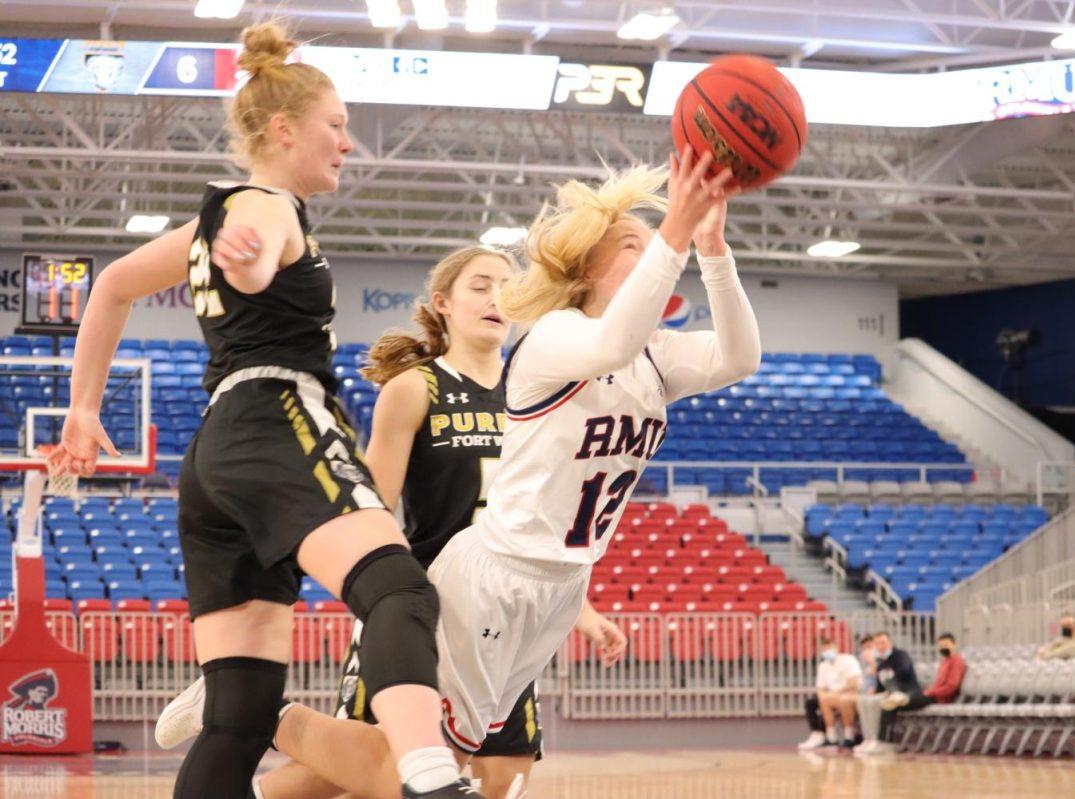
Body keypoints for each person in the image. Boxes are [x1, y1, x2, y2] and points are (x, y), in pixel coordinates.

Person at [163, 147, 754, 799]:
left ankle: (244, 725)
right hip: (483, 577)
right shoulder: (553, 339)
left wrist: (714, 248)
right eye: (631, 245)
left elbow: (739, 356)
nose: (651, 255)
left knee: (420, 766)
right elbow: (610, 341)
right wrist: (673, 235)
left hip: (557, 585)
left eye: (651, 245)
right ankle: (252, 710)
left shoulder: (656, 356)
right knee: (418, 774)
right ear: (587, 264)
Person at [46, 23, 481, 799]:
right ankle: (428, 779)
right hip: (279, 416)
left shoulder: (219, 218)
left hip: (217, 455)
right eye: (337, 125)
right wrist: (250, 267)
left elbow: (111, 283)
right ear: (283, 129)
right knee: (400, 590)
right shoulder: (263, 204)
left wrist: (84, 407)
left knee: (240, 714)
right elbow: (255, 257)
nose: (349, 143)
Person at [156, 247, 629, 799]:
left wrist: (585, 611)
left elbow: (546, 520)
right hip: (430, 596)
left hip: (507, 600)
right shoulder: (415, 387)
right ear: (442, 304)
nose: (497, 296)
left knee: (503, 773)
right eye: (480, 285)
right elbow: (370, 501)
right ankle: (251, 712)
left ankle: (248, 724)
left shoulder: (537, 387)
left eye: (507, 285)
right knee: (383, 768)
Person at [878, 633, 966, 742]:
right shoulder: (945, 661)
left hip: (938, 698)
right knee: (889, 705)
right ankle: (883, 740)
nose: (943, 648)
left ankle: (883, 740)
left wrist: (931, 692)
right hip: (932, 695)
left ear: (954, 644)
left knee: (892, 704)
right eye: (941, 646)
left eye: (946, 645)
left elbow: (951, 686)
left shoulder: (956, 661)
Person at [854, 631, 921, 756]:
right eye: (878, 643)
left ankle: (880, 740)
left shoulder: (900, 655)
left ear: (890, 643)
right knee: (865, 700)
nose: (881, 646)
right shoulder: (881, 662)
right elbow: (880, 685)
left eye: (883, 642)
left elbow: (903, 673)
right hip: (889, 693)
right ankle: (869, 738)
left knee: (879, 702)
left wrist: (890, 684)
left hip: (906, 693)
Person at [798, 634, 862, 750]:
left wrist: (837, 692)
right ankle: (826, 736)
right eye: (824, 649)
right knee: (813, 702)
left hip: (847, 693)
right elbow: (820, 689)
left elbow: (853, 682)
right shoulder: (823, 666)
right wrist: (825, 696)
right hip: (832, 696)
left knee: (842, 699)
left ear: (836, 648)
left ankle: (849, 736)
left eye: (829, 648)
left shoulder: (848, 660)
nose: (827, 651)